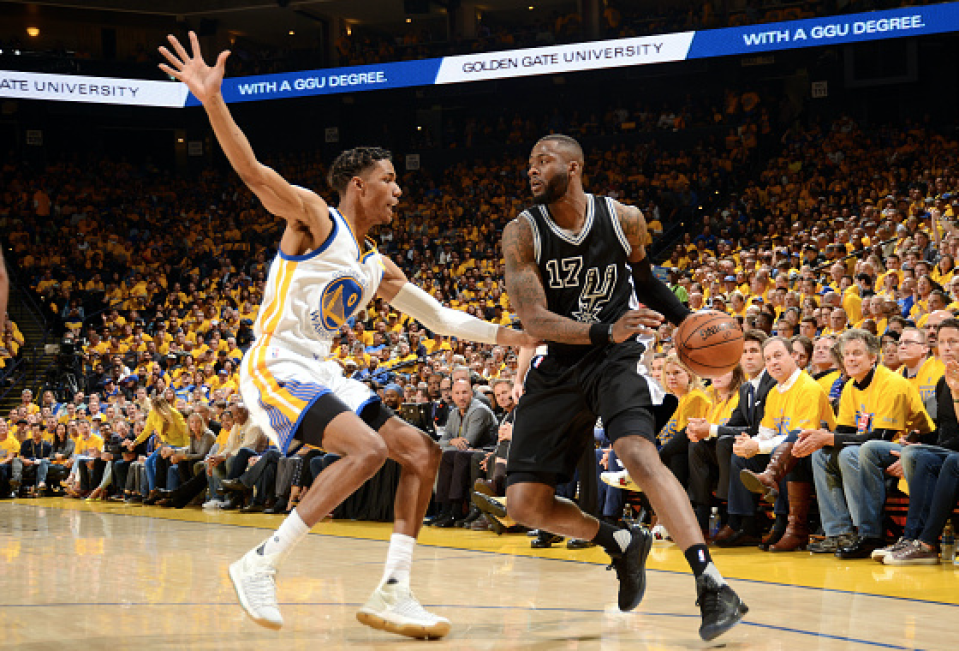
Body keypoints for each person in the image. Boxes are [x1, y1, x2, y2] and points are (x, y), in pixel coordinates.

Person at [159, 32, 534, 638]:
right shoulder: (315, 218)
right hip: (275, 363)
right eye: (389, 179)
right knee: (367, 451)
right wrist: (212, 102)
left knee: (422, 451)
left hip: (322, 368)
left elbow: (439, 320)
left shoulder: (376, 264)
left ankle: (394, 589)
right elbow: (254, 173)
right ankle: (260, 563)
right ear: (359, 184)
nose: (398, 189)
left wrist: (515, 337)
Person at [500, 134, 746, 641]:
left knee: (637, 452)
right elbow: (532, 318)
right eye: (529, 163)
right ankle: (619, 538)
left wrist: (686, 322)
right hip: (562, 361)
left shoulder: (623, 217)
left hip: (617, 357)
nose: (532, 169)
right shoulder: (522, 233)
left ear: (575, 166)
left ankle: (711, 583)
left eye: (543, 161)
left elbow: (646, 280)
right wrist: (598, 330)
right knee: (523, 506)